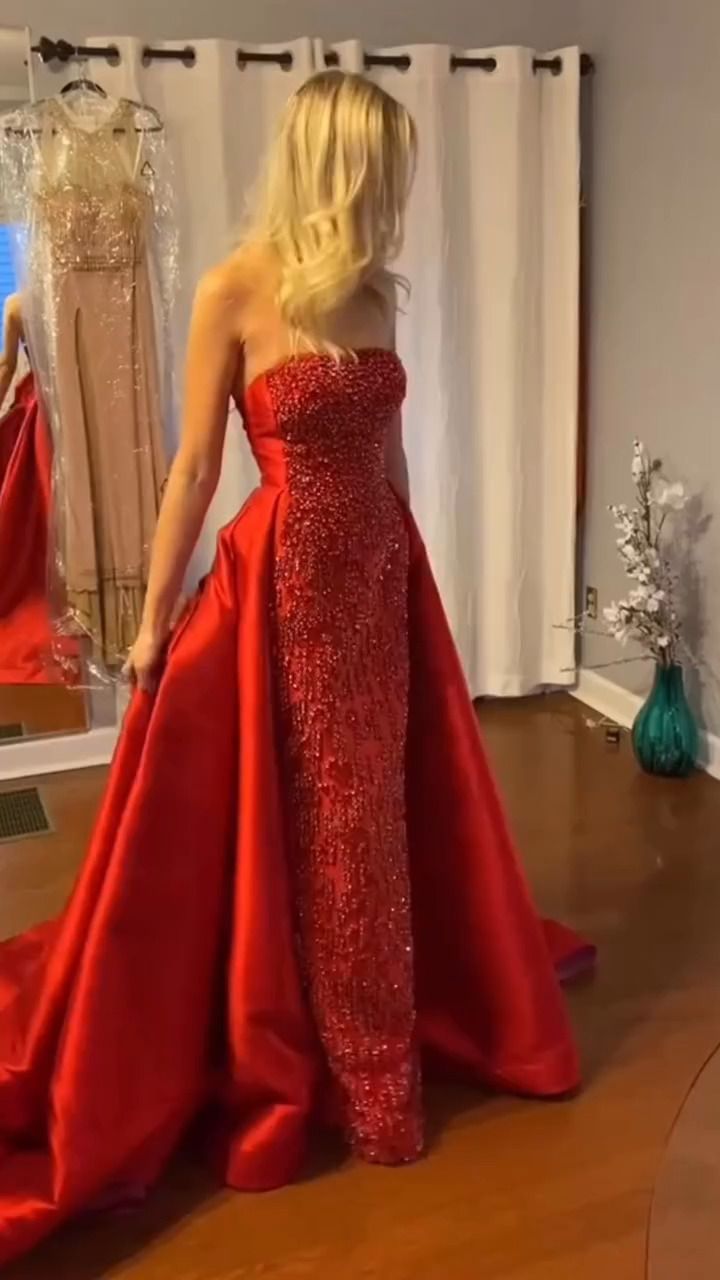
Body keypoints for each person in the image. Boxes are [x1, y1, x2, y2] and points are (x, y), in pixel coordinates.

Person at [0, 71, 594, 1265]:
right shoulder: (234, 286)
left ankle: (375, 1042)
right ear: (337, 163)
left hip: (377, 576)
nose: (393, 190)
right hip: (281, 585)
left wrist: (417, 585)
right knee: (318, 820)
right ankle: (347, 1067)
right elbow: (191, 467)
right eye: (380, 167)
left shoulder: (375, 291)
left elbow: (390, 456)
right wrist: (151, 622)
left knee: (373, 815)